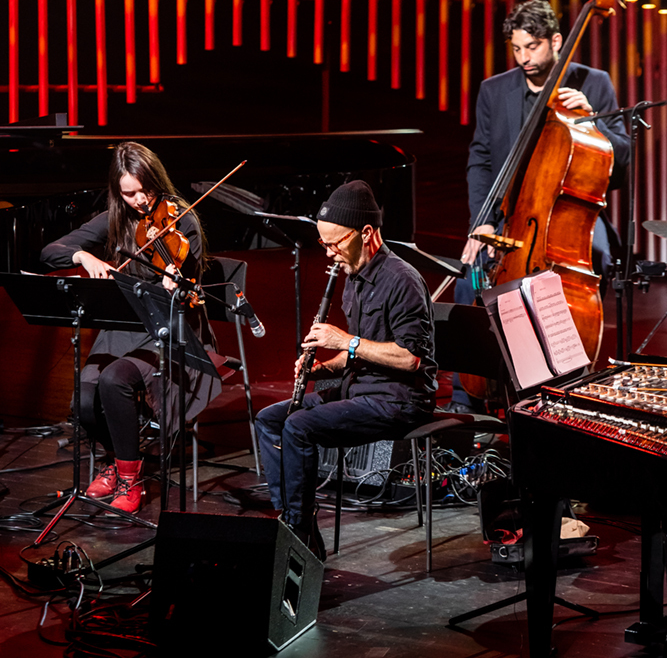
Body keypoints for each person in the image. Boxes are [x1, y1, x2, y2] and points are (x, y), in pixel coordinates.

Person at [449, 0, 630, 408]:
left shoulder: (593, 82)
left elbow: (621, 163)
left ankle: (566, 380)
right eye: (517, 49)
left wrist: (595, 118)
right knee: (470, 274)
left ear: (556, 41)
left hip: (572, 209)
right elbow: (480, 160)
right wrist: (482, 221)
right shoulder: (494, 91)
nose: (524, 58)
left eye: (532, 47)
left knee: (596, 254)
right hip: (510, 213)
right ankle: (467, 395)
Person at [255, 180, 438, 560]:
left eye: (334, 243)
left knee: (299, 427)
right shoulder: (353, 276)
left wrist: (346, 341)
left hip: (398, 399)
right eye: (324, 244)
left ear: (366, 233)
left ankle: (297, 531)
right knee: (270, 419)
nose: (328, 253)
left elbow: (409, 359)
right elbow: (359, 353)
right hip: (359, 389)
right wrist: (321, 368)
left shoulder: (402, 280)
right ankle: (293, 519)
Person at [40, 141, 221, 513]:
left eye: (145, 190)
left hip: (168, 329)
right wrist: (82, 255)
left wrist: (175, 284)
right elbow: (49, 252)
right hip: (122, 325)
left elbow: (192, 293)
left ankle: (130, 479)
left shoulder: (182, 220)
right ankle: (117, 459)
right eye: (129, 193)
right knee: (83, 400)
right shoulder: (116, 217)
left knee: (114, 379)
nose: (139, 200)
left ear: (156, 182)